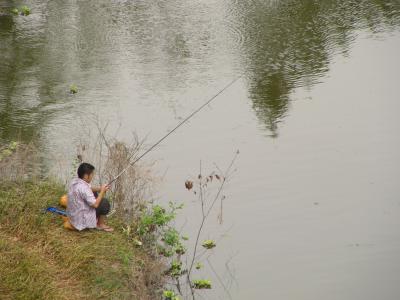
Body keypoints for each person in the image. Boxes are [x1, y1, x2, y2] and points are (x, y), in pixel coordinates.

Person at [67, 162, 113, 232]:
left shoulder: (75, 181)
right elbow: (95, 204)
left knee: (94, 192)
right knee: (104, 202)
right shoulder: (84, 188)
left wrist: (100, 188)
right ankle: (100, 224)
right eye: (91, 174)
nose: (92, 176)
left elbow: (89, 189)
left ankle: (96, 220)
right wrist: (102, 192)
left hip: (73, 217)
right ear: (86, 176)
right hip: (81, 221)